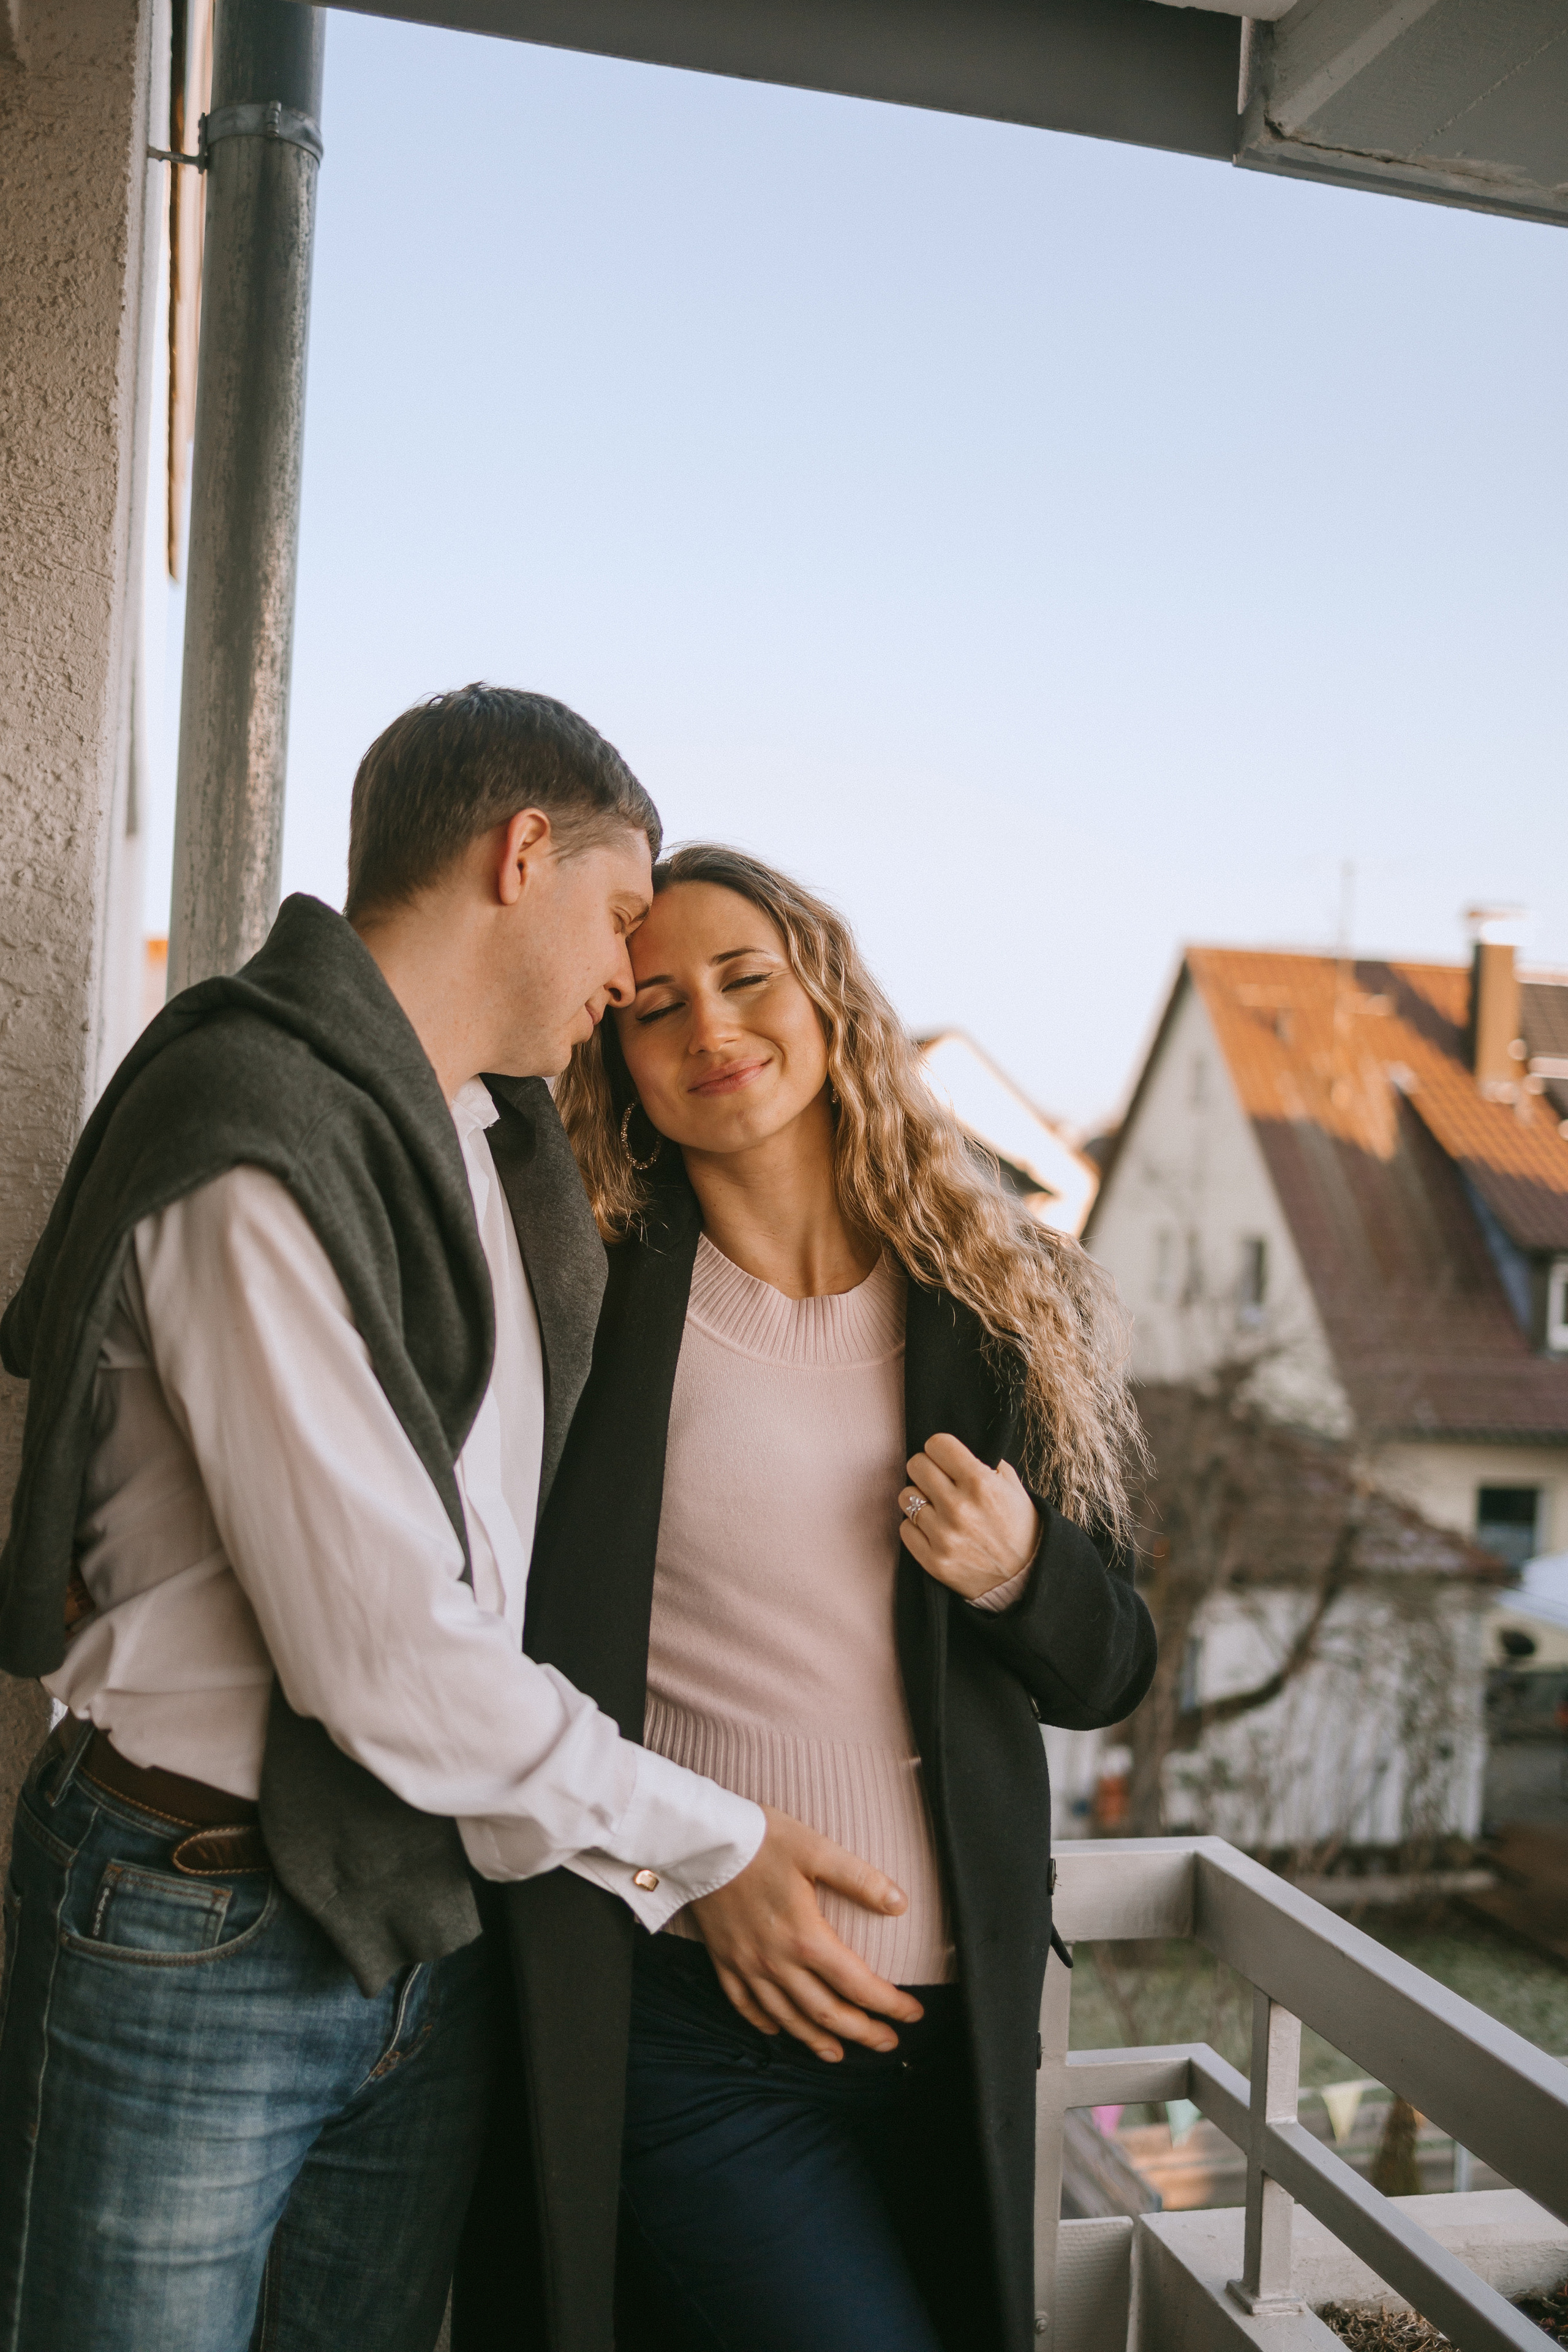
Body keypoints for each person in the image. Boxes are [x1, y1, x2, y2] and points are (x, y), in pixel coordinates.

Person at [0, 695, 909, 2352]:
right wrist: (715, 1845)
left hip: (433, 1919)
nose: (631, 977)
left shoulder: (497, 1150)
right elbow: (392, 1665)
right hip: (199, 1920)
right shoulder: (254, 1144)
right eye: (626, 916)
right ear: (523, 854)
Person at [460, 843, 1158, 2352]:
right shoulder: (579, 1296)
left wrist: (1021, 1573)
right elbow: (499, 1643)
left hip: (951, 2044)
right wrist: (685, 1868)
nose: (709, 1029)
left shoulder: (1002, 1302)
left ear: (826, 1000)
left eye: (744, 980)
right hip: (688, 2024)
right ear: (616, 1052)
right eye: (654, 1006)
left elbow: (1112, 1665)